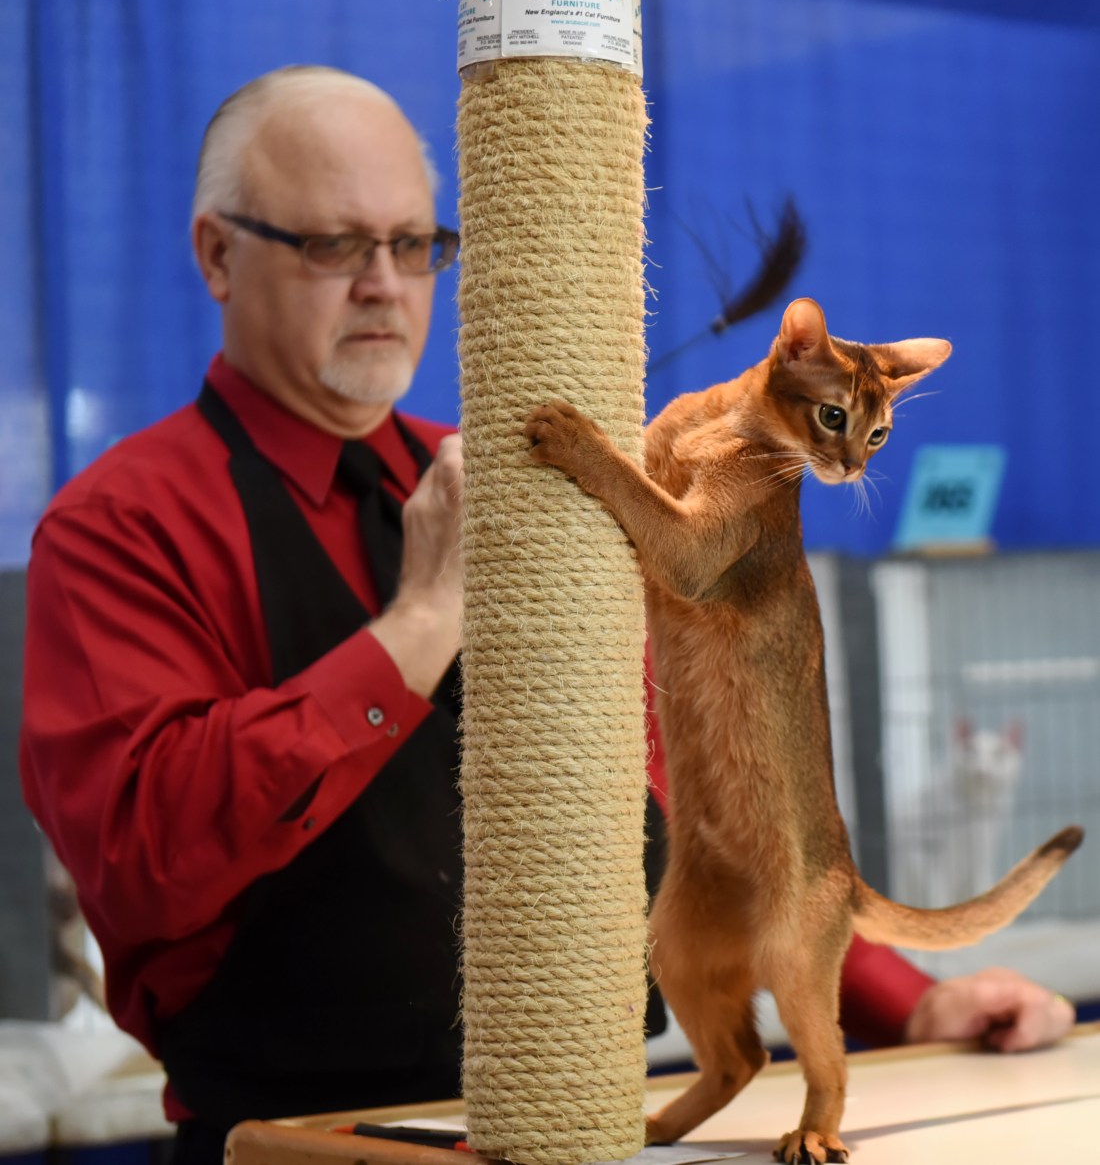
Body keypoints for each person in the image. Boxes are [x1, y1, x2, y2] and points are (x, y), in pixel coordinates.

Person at [19, 65, 1074, 1165]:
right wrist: (418, 624)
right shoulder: (120, 524)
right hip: (290, 1137)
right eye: (333, 244)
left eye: (415, 243)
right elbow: (142, 857)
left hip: (587, 1115)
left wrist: (908, 999)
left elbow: (686, 793)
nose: (385, 284)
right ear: (215, 254)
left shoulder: (510, 473)